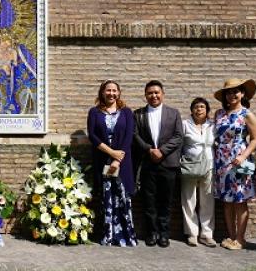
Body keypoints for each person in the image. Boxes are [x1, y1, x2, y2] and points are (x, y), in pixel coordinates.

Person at [133, 80, 183, 247]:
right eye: (150, 93)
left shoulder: (174, 113)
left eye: (156, 92)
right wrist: (149, 150)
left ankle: (164, 234)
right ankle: (152, 233)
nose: (153, 95)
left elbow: (178, 136)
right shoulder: (138, 114)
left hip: (168, 163)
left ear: (162, 94)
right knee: (149, 201)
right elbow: (135, 135)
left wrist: (162, 150)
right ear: (145, 95)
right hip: (147, 164)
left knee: (166, 201)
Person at [87, 80, 137, 246]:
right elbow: (93, 136)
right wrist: (111, 153)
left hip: (122, 163)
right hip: (103, 160)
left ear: (119, 93)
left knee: (123, 197)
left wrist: (117, 159)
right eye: (108, 90)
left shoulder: (127, 112)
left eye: (114, 90)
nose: (111, 93)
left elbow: (129, 136)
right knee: (106, 198)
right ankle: (108, 235)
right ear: (102, 92)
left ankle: (126, 235)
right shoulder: (94, 112)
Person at [213, 78, 256, 250]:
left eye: (235, 91)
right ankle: (231, 236)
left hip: (241, 160)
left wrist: (243, 156)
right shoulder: (219, 114)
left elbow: (255, 140)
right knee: (226, 201)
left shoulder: (247, 114)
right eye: (228, 92)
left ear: (242, 94)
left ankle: (240, 239)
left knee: (240, 200)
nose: (232, 95)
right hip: (222, 161)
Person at [179, 97, 216, 247]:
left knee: (208, 201)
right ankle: (192, 233)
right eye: (196, 107)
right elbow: (179, 144)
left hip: (209, 166)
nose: (199, 109)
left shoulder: (212, 126)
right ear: (191, 109)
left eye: (202, 107)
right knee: (189, 200)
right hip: (189, 166)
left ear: (207, 110)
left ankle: (206, 234)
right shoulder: (185, 125)